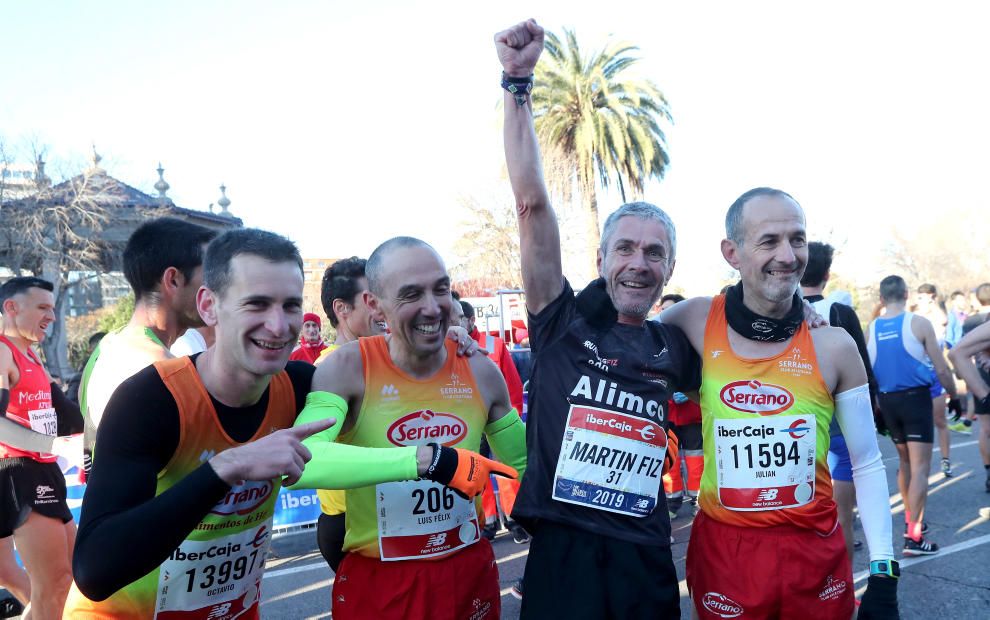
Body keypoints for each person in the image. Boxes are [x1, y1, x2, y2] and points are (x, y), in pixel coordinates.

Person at [65, 229, 503, 618]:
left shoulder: (299, 387)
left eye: (290, 306)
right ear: (209, 305)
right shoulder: (151, 399)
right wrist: (225, 469)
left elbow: (392, 381)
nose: (278, 326)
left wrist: (447, 341)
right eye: (257, 304)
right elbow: (96, 570)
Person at [498, 19, 698, 618]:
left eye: (654, 252)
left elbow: (750, 323)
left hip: (645, 557)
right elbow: (531, 204)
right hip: (566, 552)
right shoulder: (560, 322)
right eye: (626, 249)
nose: (639, 264)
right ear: (601, 260)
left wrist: (806, 319)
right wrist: (516, 84)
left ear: (669, 267)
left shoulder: (677, 342)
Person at [661, 189, 898, 618]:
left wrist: (883, 574)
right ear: (731, 252)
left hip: (813, 552)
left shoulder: (834, 344)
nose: (788, 256)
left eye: (798, 239)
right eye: (769, 241)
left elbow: (866, 462)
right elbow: (627, 341)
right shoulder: (693, 319)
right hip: (726, 552)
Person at [296, 236, 525, 619]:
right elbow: (301, 461)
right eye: (411, 295)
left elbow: (525, 463)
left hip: (467, 571)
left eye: (441, 289)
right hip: (382, 581)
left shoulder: (480, 369)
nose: (433, 308)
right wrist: (426, 461)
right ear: (375, 305)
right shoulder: (346, 369)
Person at [78, 217, 217, 472]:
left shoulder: (106, 347)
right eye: (210, 275)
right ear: (173, 280)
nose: (218, 288)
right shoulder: (161, 368)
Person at [1, 277, 84, 619]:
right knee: (57, 581)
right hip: (18, 471)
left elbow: (67, 417)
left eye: (53, 308)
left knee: (66, 578)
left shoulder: (29, 353)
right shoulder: (2, 350)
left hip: (44, 469)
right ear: (11, 308)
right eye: (43, 308)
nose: (52, 316)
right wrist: (56, 444)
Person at [867, 275, 958, 555]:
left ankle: (912, 520)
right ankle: (914, 537)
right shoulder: (918, 323)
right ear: (906, 294)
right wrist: (954, 394)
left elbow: (867, 371)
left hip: (887, 402)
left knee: (905, 463)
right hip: (915, 399)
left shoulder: (870, 328)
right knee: (920, 468)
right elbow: (941, 368)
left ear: (881, 299)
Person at [800, 241, 879, 560]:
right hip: (839, 420)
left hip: (797, 421)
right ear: (827, 274)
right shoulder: (839, 310)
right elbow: (864, 370)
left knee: (804, 517)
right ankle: (843, 594)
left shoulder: (778, 310)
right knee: (842, 517)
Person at [312, 257, 385, 573]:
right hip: (353, 526)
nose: (381, 307)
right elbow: (314, 459)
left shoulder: (388, 357)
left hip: (398, 515)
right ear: (342, 309)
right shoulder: (327, 370)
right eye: (370, 299)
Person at [461, 299, 529, 544]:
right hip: (471, 423)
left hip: (498, 419)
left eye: (460, 318)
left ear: (470, 319)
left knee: (508, 471)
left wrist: (513, 418)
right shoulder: (446, 349)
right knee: (476, 472)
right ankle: (487, 521)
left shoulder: (494, 344)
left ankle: (514, 519)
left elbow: (511, 384)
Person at [913, 283, 961, 474]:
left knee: (940, 420)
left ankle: (945, 459)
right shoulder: (912, 314)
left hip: (935, 374)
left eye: (928, 297)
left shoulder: (939, 315)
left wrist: (933, 305)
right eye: (921, 297)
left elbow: (943, 322)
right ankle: (915, 463)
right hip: (916, 375)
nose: (924, 300)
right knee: (918, 423)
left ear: (933, 297)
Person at [949, 283, 990, 492]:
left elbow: (959, 352)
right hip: (981, 380)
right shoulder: (981, 322)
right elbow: (958, 352)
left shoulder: (973, 320)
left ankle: (989, 473)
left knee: (986, 429)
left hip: (980, 380)